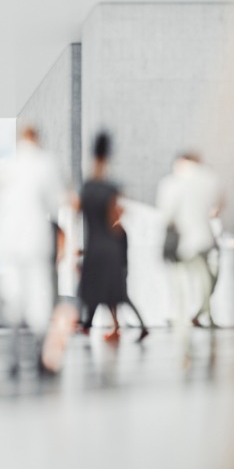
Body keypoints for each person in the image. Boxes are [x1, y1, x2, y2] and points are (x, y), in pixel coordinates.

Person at [0, 127, 66, 376]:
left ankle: (12, 358)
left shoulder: (6, 166)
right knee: (39, 299)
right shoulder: (45, 164)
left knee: (14, 299)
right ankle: (38, 356)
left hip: (9, 242)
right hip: (35, 240)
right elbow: (56, 203)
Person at [77, 132, 148, 343]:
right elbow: (115, 219)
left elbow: (78, 211)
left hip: (94, 247)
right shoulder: (111, 189)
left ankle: (85, 326)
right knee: (118, 294)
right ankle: (137, 326)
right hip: (110, 248)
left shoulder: (86, 188)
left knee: (91, 292)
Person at [156, 152, 224, 356]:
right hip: (202, 239)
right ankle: (201, 315)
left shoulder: (172, 185)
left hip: (184, 241)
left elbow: (166, 215)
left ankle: (186, 319)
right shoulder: (210, 181)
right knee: (203, 280)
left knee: (183, 284)